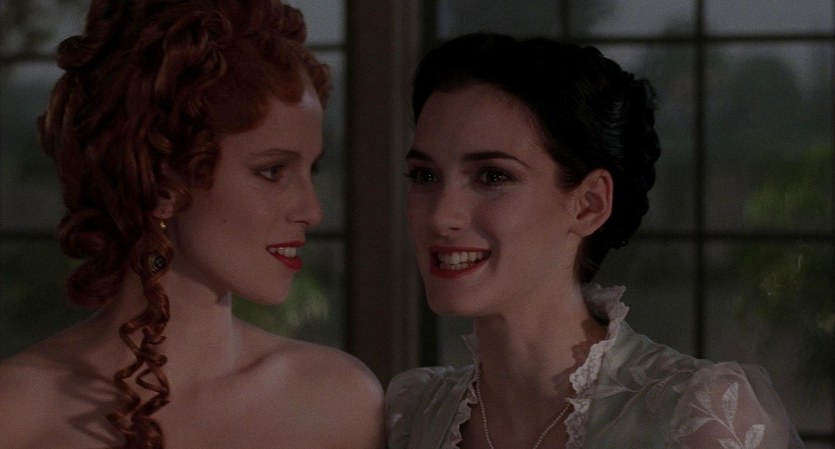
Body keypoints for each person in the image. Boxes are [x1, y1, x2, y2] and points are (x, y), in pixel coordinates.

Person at [386, 33, 804, 449]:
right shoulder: (412, 414)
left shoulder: (702, 415)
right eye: (425, 176)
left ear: (589, 204)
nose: (440, 216)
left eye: (492, 176)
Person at [0, 1, 383, 448]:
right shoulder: (16, 411)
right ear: (163, 184)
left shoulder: (337, 400)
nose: (312, 211)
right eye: (273, 171)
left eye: (310, 170)